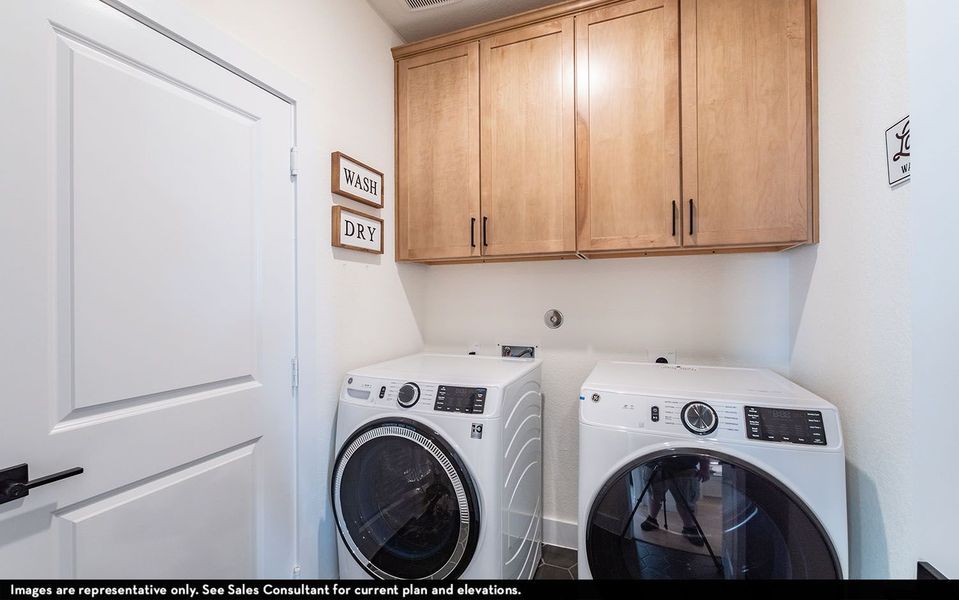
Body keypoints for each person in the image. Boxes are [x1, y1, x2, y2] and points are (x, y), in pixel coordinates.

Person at [638, 456, 711, 546]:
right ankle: (652, 520)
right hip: (654, 464)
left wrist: (705, 466)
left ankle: (689, 528)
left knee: (687, 501)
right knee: (654, 495)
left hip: (684, 466)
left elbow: (700, 444)